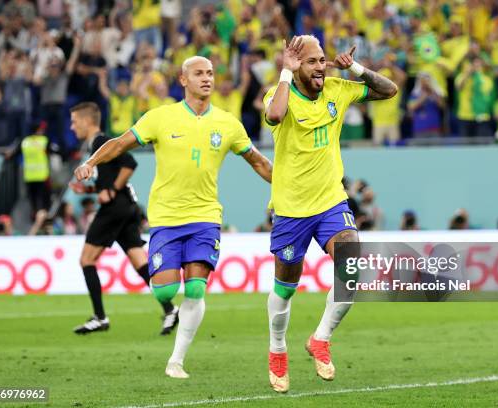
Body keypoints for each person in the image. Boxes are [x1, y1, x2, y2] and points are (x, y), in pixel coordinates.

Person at [74, 56, 273, 379]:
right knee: (165, 292)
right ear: (183, 80)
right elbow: (120, 143)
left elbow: (259, 162)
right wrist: (92, 162)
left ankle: (176, 360)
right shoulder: (160, 118)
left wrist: (288, 187)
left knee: (195, 289)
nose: (207, 78)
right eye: (199, 74)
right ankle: (170, 314)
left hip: (205, 216)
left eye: (210, 73)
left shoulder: (228, 123)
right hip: (165, 217)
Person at [263, 35, 397, 392]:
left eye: (322, 60)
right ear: (296, 66)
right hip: (291, 210)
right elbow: (273, 116)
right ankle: (277, 348)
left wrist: (354, 67)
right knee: (285, 288)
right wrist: (286, 75)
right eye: (312, 61)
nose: (320, 67)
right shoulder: (281, 93)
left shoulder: (339, 89)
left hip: (330, 203)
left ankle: (320, 339)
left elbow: (390, 91)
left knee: (351, 265)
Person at [68, 102, 178, 336]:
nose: (71, 126)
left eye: (74, 121)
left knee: (87, 260)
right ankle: (170, 309)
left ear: (87, 122)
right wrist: (89, 192)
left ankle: (99, 317)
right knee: (140, 263)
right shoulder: (95, 146)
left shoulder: (99, 142)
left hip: (115, 208)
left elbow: (130, 163)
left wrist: (113, 189)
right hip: (125, 207)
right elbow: (107, 184)